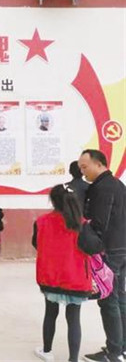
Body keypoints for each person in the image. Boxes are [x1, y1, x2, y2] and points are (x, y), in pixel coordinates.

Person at [32, 185, 94, 362]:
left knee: (50, 313)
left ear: (53, 201)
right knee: (73, 318)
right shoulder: (81, 223)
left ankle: (47, 351)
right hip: (75, 278)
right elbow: (93, 247)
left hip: (50, 276)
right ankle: (73, 359)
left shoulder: (41, 221)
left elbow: (36, 243)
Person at [78, 149, 126, 362]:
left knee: (108, 300)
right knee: (120, 297)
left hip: (109, 251)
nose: (83, 172)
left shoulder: (102, 187)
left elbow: (98, 223)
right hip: (122, 247)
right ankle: (121, 347)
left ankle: (113, 353)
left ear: (99, 164)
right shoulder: (118, 184)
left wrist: (88, 245)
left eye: (85, 167)